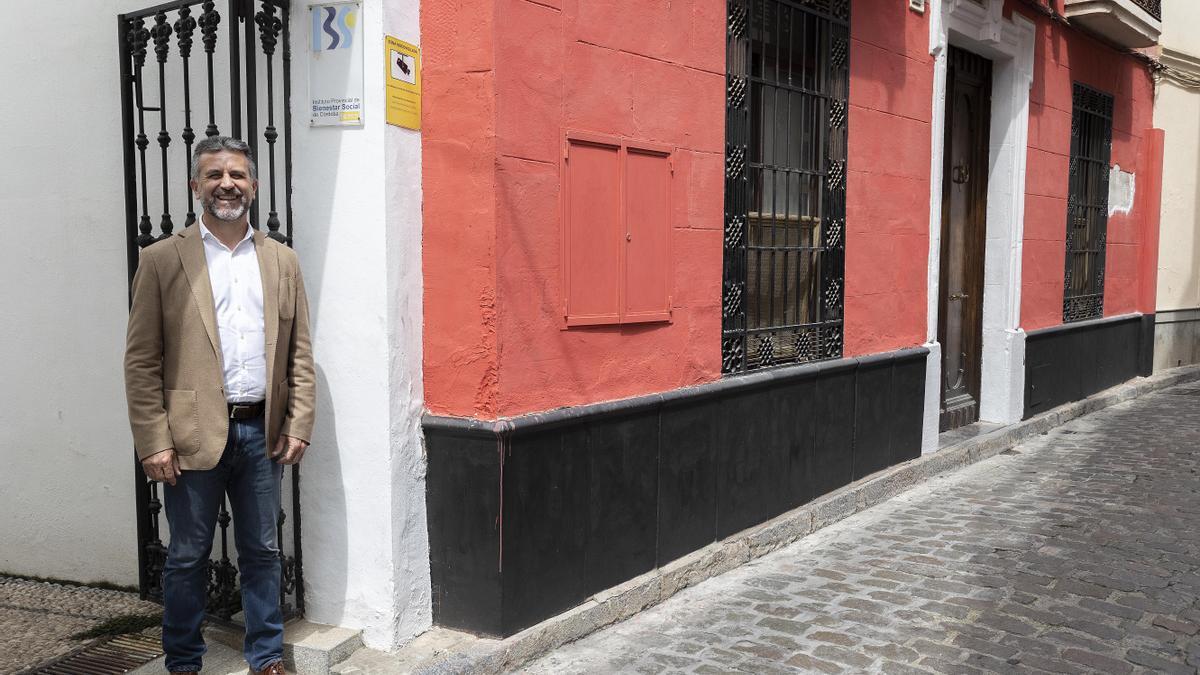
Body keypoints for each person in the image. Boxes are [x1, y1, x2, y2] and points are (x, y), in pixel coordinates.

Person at [124, 136, 315, 675]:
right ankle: (184, 661)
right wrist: (153, 440)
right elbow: (141, 361)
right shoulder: (162, 260)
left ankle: (266, 656)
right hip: (189, 437)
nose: (226, 184)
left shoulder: (282, 261)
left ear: (253, 186)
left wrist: (299, 422)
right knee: (186, 558)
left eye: (236, 175)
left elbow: (299, 349)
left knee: (262, 552)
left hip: (262, 432)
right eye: (214, 175)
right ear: (195, 186)